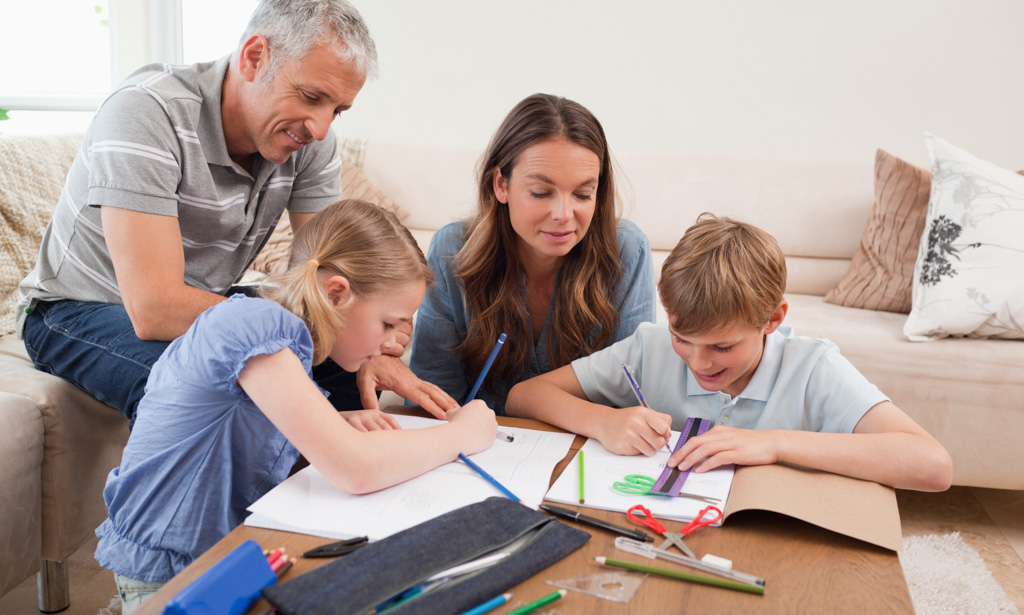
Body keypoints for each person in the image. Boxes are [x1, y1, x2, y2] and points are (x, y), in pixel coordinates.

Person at [16, 0, 455, 429]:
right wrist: (302, 329)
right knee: (201, 385)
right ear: (254, 57)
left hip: (203, 298)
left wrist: (373, 347)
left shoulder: (313, 143)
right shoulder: (146, 113)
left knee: (353, 373)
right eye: (311, 96)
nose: (320, 128)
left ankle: (331, 488)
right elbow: (154, 309)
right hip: (82, 308)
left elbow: (337, 269)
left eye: (336, 109)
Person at [94, 200, 498, 611]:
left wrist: (333, 422)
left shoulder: (281, 336)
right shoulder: (260, 326)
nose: (394, 344)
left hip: (216, 556)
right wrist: (461, 434)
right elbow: (356, 469)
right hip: (170, 574)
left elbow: (240, 427)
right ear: (336, 293)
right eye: (388, 323)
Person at [506, 214, 953, 492]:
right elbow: (523, 396)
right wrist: (602, 421)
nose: (699, 363)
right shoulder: (650, 348)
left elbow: (932, 467)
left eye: (722, 346)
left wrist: (773, 443)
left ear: (772, 321)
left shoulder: (813, 367)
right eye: (683, 336)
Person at [409, 93, 657, 414]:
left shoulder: (627, 250)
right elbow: (433, 394)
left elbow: (630, 393)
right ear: (501, 185)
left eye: (583, 194)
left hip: (588, 450)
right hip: (478, 447)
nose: (564, 214)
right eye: (541, 192)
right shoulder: (451, 250)